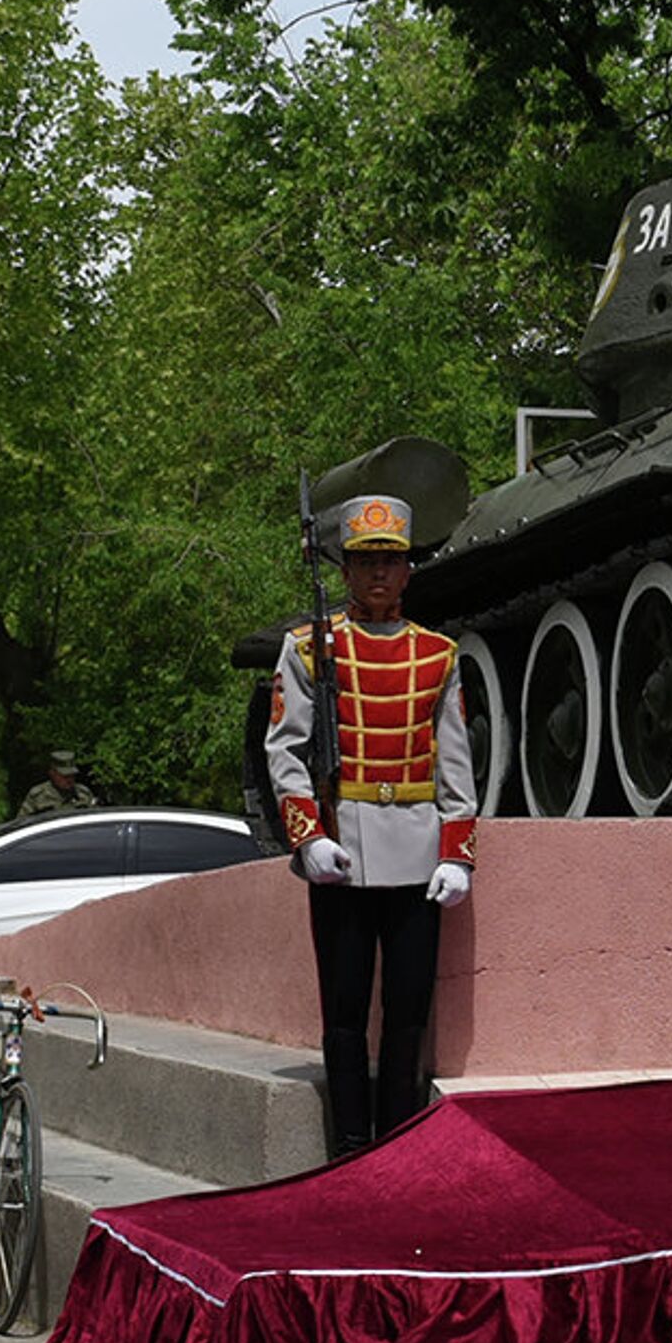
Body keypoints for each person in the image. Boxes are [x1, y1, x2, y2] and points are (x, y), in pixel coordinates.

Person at [264, 492, 477, 1156]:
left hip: (416, 852)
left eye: (391, 561)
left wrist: (457, 853)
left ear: (409, 570)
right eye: (364, 561)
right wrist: (309, 837)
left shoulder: (439, 655)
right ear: (347, 571)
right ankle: (351, 1144)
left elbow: (455, 762)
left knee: (409, 1014)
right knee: (346, 1015)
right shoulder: (308, 649)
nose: (379, 574)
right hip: (343, 850)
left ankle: (401, 1145)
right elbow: (285, 750)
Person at [18, 751, 97, 818]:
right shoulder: (38, 796)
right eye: (64, 776)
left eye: (72, 776)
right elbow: (22, 825)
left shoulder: (83, 794)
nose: (69, 780)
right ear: (52, 773)